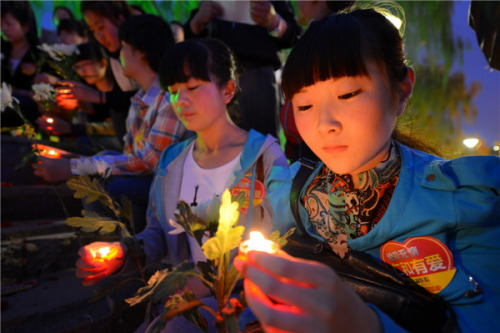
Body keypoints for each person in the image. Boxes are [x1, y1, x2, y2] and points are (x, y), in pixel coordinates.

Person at [234, 5, 500, 333]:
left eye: (347, 94)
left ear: (401, 90)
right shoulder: (286, 193)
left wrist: (367, 325)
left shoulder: (466, 200)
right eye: (304, 105)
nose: (324, 124)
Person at [74, 38, 291, 332]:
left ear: (228, 89)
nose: (181, 101)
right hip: (181, 304)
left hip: (244, 306)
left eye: (192, 87)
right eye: (173, 91)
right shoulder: (171, 162)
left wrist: (212, 283)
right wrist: (123, 251)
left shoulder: (264, 158)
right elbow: (157, 234)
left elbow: (282, 243)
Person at [33, 14, 185, 232]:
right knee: (101, 168)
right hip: (151, 181)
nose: (119, 54)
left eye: (123, 47)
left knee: (99, 187)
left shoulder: (169, 98)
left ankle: (118, 256)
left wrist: (75, 166)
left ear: (141, 51)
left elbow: (149, 163)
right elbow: (131, 156)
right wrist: (78, 160)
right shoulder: (140, 99)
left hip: (172, 187)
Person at [184, 0, 302, 138]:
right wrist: (199, 20)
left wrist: (273, 21)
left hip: (257, 80)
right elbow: (190, 37)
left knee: (260, 148)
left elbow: (291, 36)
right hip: (214, 78)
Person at [37, 42, 123, 154]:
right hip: (94, 132)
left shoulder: (120, 88)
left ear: (102, 63)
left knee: (86, 143)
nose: (81, 71)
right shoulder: (86, 87)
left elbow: (117, 126)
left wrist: (72, 128)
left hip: (122, 140)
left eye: (86, 64)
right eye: (77, 67)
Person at [0, 1, 42, 127]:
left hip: (27, 114)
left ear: (25, 26)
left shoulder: (39, 54)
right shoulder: (3, 51)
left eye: (9, 24)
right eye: (1, 24)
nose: (4, 28)